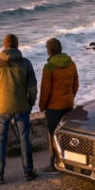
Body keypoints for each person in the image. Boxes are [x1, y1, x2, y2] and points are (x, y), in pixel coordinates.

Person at [0, 33, 37, 184]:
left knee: (0, 140)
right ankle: (28, 172)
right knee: (24, 138)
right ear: (17, 45)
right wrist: (31, 103)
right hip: (22, 106)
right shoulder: (26, 63)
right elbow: (32, 87)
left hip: (2, 108)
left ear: (4, 45)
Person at [39, 37, 79, 173]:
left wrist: (42, 106)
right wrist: (69, 98)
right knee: (66, 135)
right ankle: (70, 162)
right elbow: (76, 85)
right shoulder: (71, 63)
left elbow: (45, 91)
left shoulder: (49, 67)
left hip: (53, 107)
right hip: (68, 104)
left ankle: (54, 164)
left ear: (49, 50)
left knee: (53, 135)